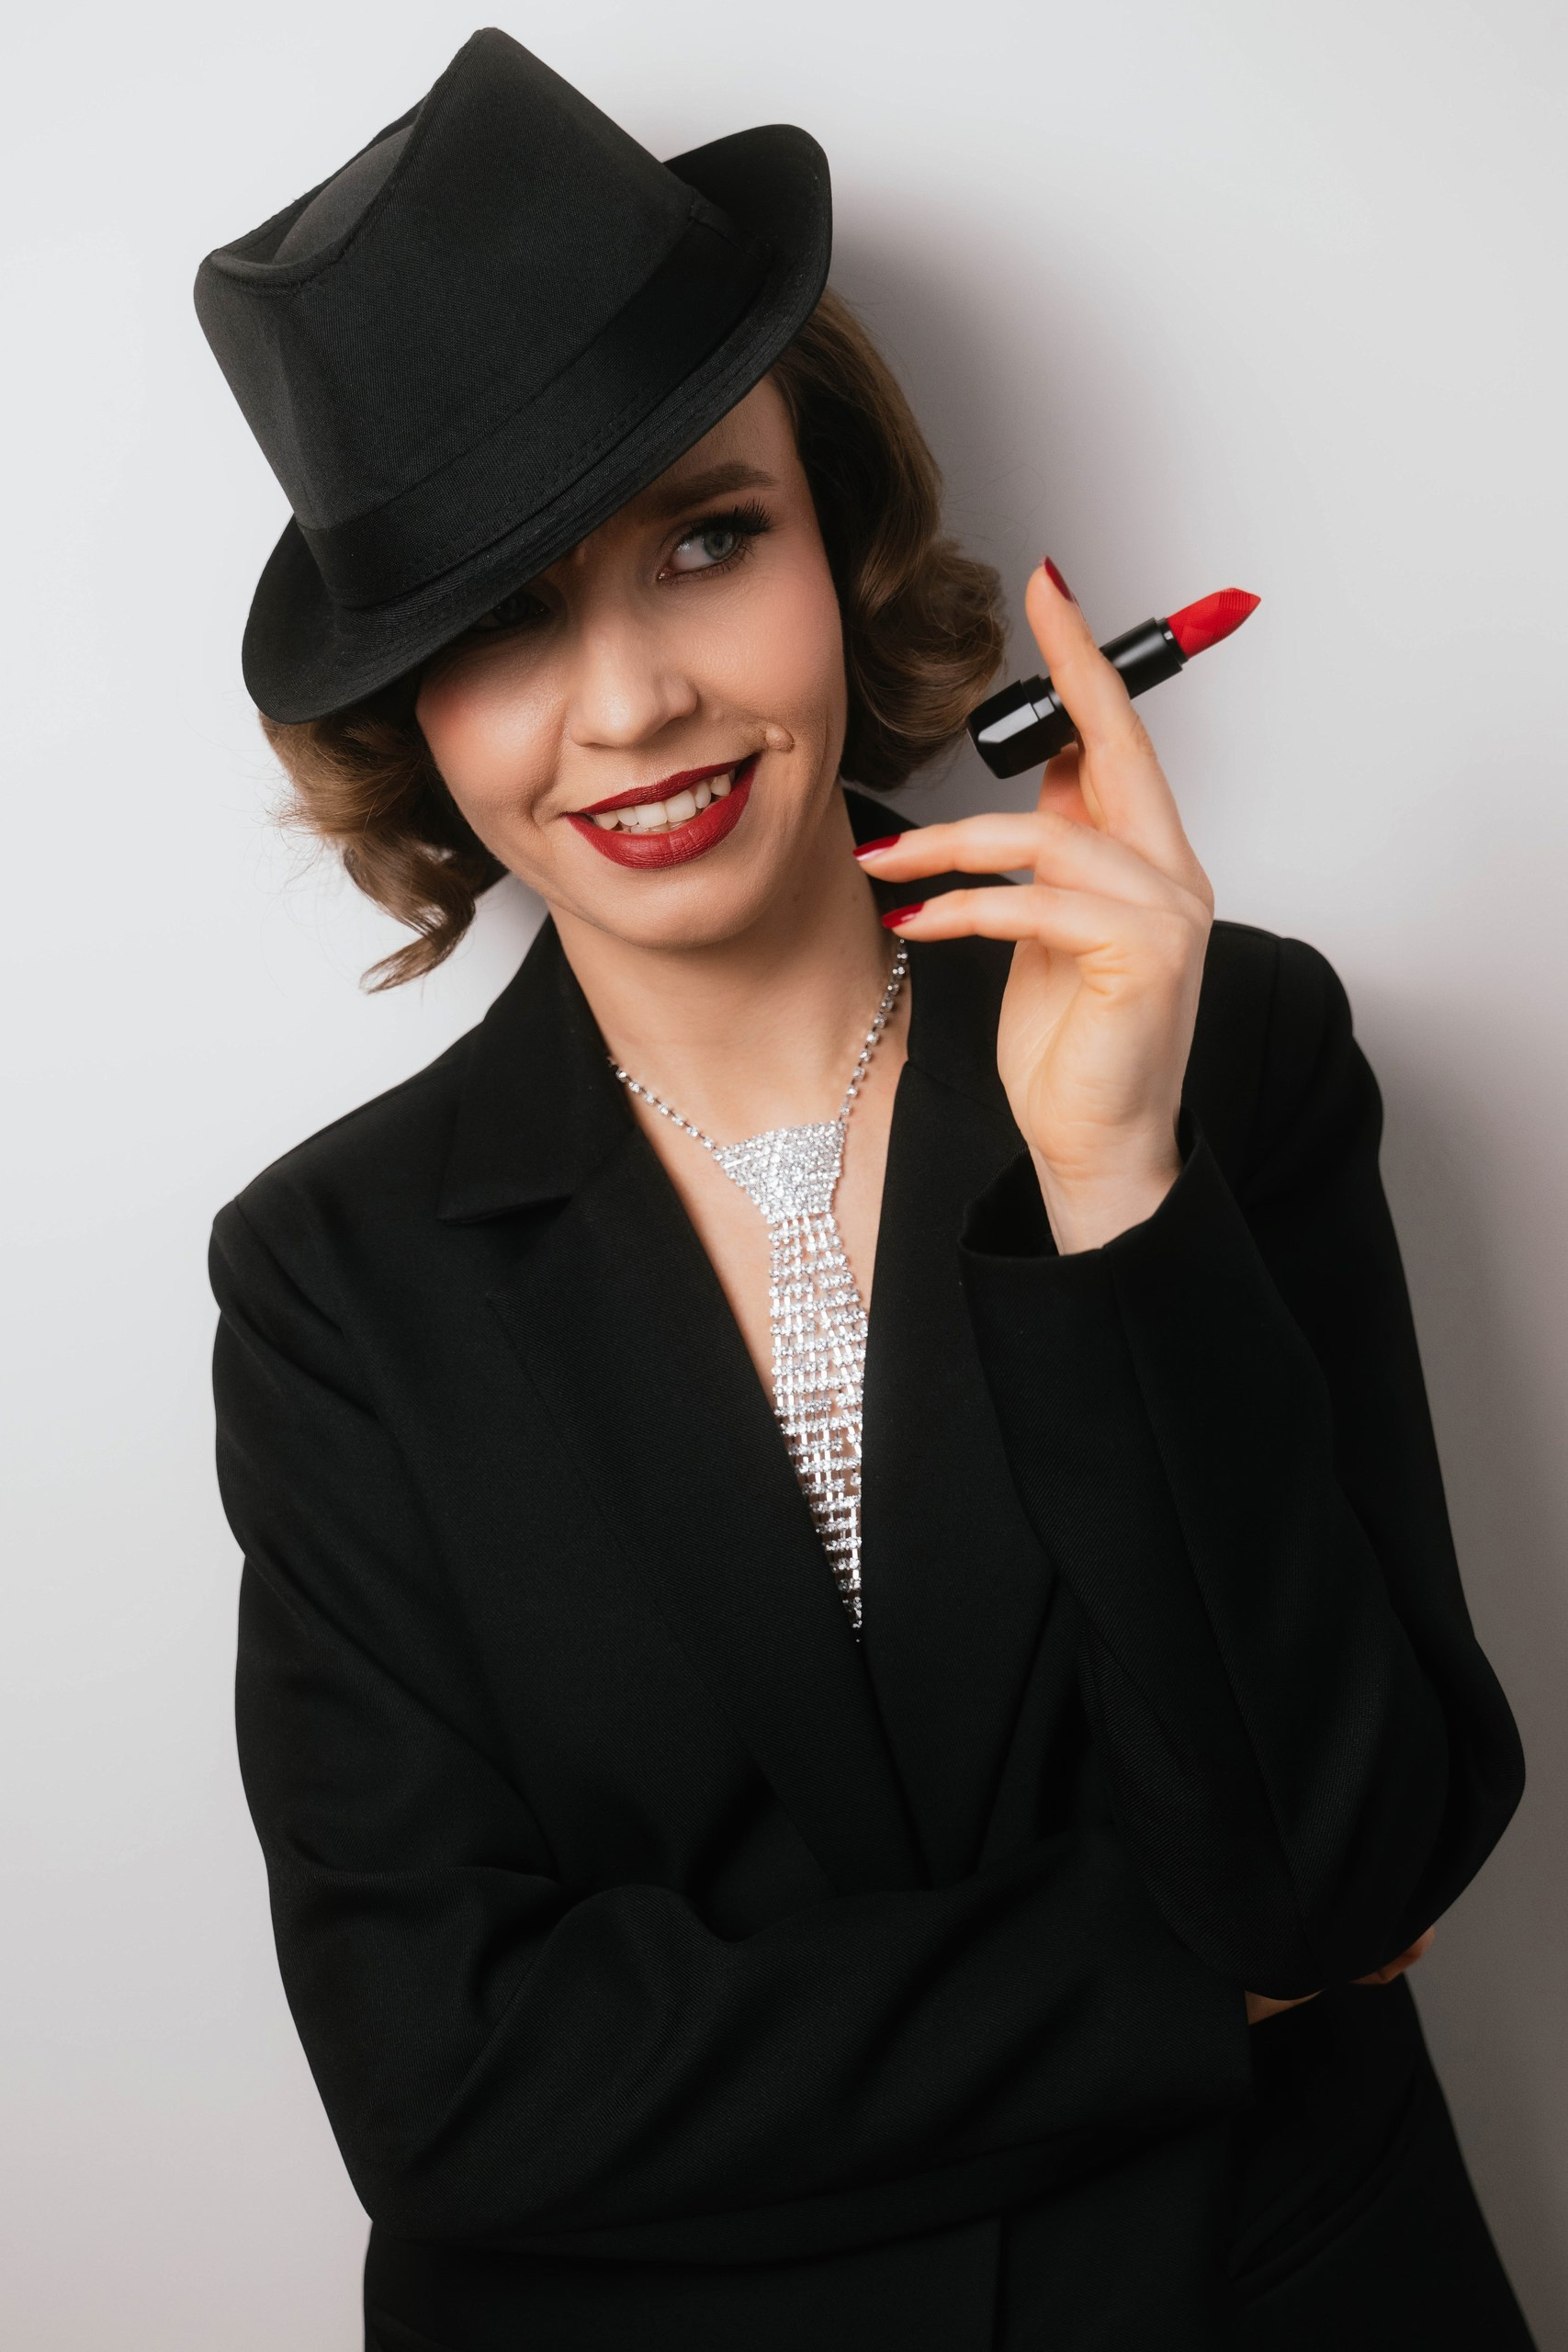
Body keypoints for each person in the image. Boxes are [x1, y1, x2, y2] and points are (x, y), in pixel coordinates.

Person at [197, 29, 1534, 2352]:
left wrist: (1112, 1178)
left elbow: (1331, 1859)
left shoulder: (1231, 1053)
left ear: (836, 536)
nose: (628, 702)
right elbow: (457, 2085)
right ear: (410, 710)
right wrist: (1180, 1985)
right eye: (501, 618)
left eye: (704, 538)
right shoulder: (333, 1279)